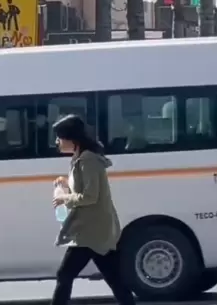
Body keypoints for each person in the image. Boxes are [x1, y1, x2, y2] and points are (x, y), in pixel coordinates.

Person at [50, 115, 135, 305]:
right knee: (114, 279)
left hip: (90, 231)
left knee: (64, 275)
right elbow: (86, 190)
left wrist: (64, 197)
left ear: (71, 138)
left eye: (59, 137)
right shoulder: (82, 158)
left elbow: (90, 197)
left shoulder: (87, 160)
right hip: (96, 228)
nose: (56, 141)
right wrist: (66, 184)